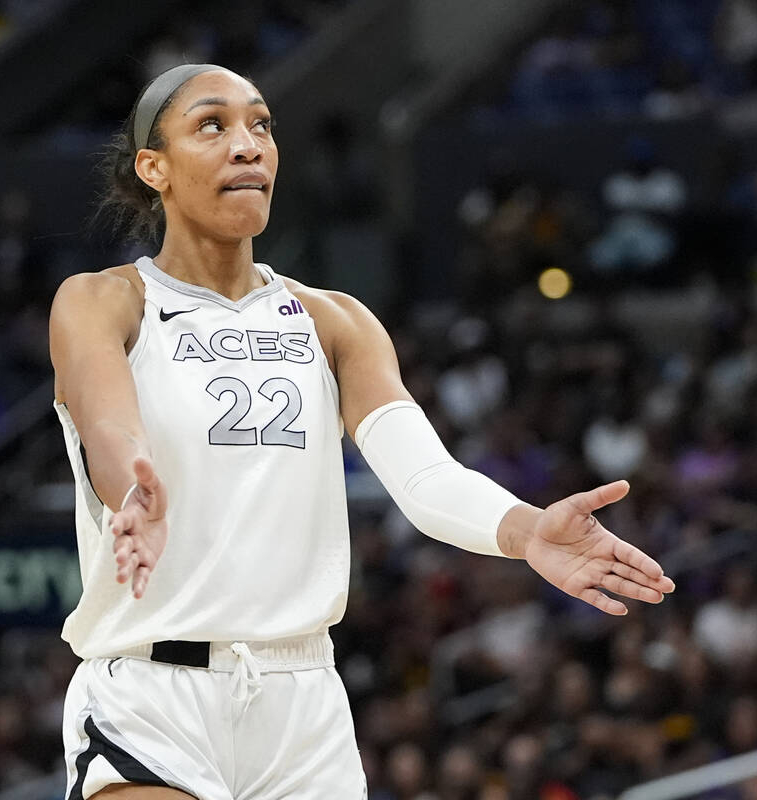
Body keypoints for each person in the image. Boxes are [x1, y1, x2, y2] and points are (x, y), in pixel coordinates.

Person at [49, 63, 676, 800]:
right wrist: (134, 496)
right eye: (211, 125)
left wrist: (526, 529)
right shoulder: (103, 300)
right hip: (153, 691)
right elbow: (108, 422)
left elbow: (424, 477)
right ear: (154, 167)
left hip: (303, 702)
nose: (247, 144)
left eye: (261, 125)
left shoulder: (336, 320)